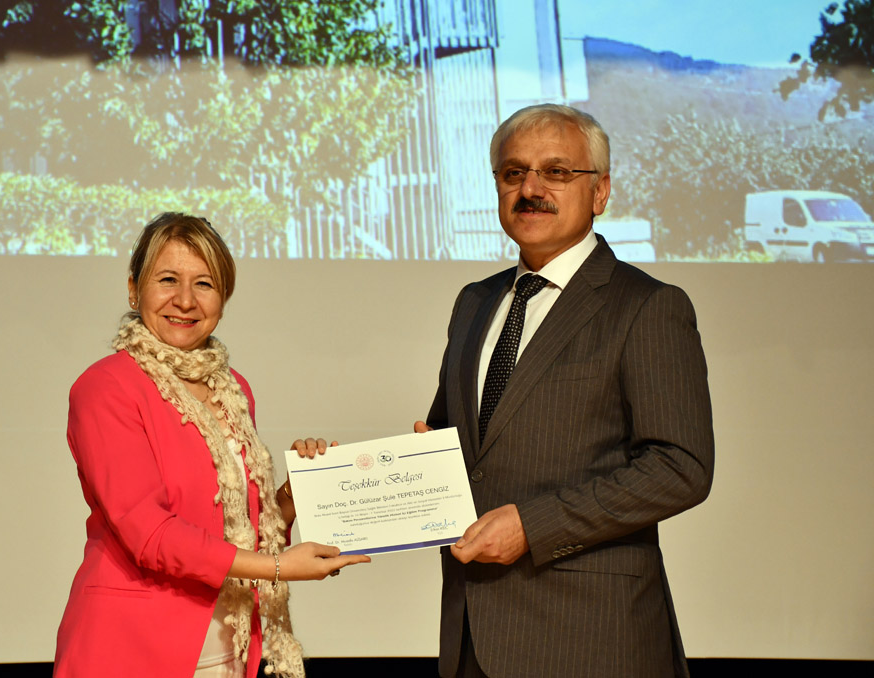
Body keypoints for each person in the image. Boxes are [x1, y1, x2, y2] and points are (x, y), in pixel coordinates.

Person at [415, 105, 714, 678]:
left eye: (556, 172)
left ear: (600, 192)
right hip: (472, 635)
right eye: (513, 173)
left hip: (590, 639)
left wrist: (534, 526)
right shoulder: (474, 301)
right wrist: (350, 479)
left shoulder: (648, 306)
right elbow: (459, 448)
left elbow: (681, 467)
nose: (530, 189)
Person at [54, 212, 368, 678]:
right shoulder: (106, 387)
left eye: (204, 284)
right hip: (131, 649)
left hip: (228, 651)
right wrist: (277, 567)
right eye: (167, 280)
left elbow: (237, 527)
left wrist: (294, 493)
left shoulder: (232, 388)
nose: (185, 300)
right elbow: (150, 534)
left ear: (224, 297)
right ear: (133, 289)